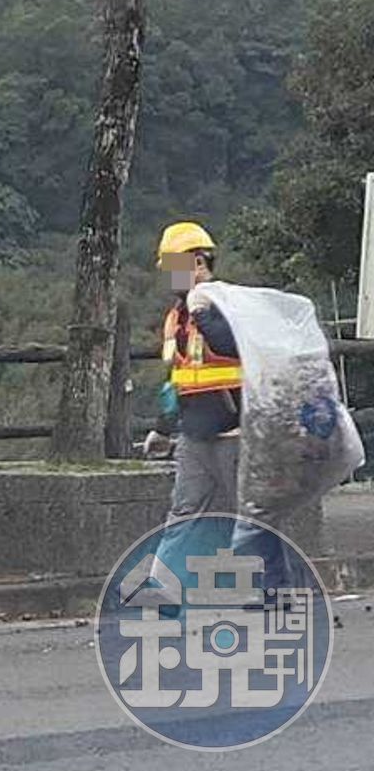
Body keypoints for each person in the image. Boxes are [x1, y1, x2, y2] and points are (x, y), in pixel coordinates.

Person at [144, 222, 243, 591]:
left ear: (198, 262)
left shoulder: (225, 303)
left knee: (249, 513)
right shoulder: (175, 316)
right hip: (194, 431)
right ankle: (161, 587)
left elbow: (233, 345)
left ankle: (273, 589)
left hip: (235, 429)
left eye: (174, 266)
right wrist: (163, 427)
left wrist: (203, 312)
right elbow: (177, 378)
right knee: (184, 510)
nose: (169, 275)